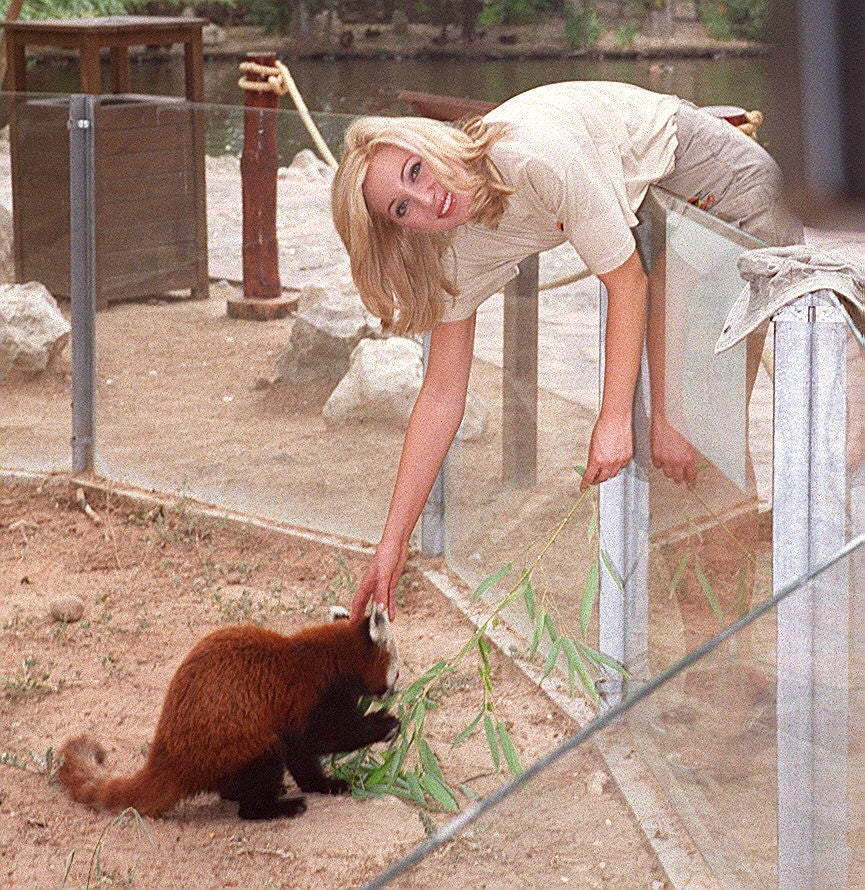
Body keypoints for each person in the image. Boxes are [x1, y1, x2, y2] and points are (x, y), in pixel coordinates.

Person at [330, 80, 802, 621]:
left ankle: (727, 639)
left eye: (416, 171)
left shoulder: (532, 158)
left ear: (428, 142)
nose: (426, 198)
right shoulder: (456, 247)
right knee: (673, 446)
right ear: (398, 233)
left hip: (728, 191)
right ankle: (713, 630)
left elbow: (627, 284)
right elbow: (440, 396)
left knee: (695, 441)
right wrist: (392, 543)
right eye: (401, 208)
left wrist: (615, 419)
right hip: (664, 212)